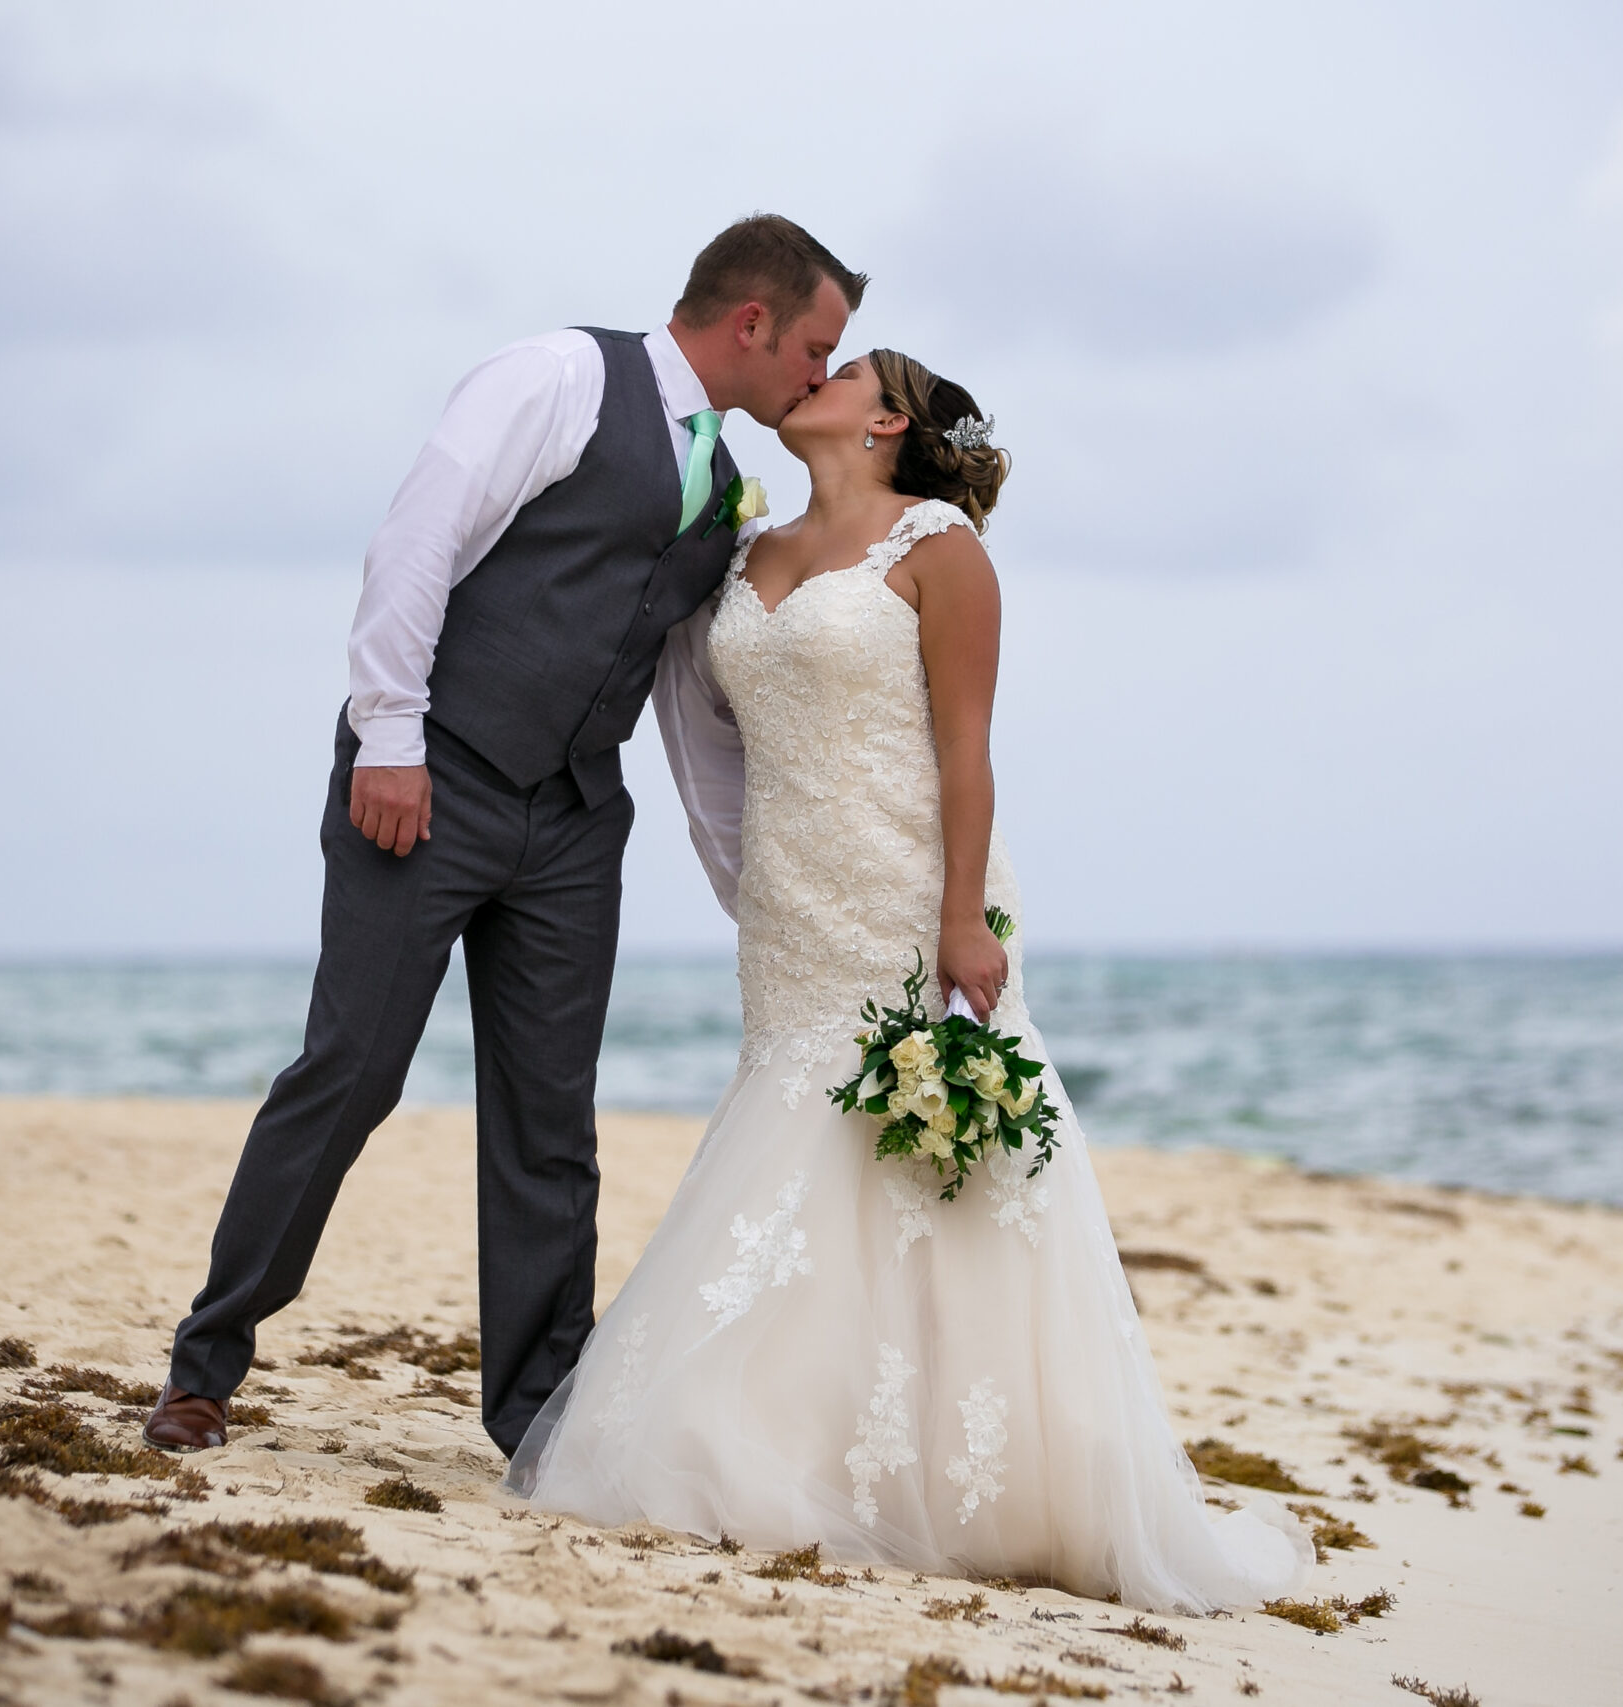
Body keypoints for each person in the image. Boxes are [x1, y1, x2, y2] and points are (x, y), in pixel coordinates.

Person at [505, 350, 1313, 1610]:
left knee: (927, 1162)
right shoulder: (743, 549)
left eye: (841, 373)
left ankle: (971, 1476)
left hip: (909, 891)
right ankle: (785, 1447)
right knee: (795, 1146)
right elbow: (695, 724)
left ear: (885, 421)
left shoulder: (939, 549)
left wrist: (961, 918)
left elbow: (966, 750)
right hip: (787, 905)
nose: (809, 377)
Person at [143, 216, 868, 1460]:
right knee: (350, 1074)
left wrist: (748, 879)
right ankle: (206, 1365)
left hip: (579, 819)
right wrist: (388, 737)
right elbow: (417, 540)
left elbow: (684, 705)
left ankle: (537, 1418)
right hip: (434, 783)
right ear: (751, 323)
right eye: (815, 347)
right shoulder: (559, 378)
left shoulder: (729, 489)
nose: (818, 375)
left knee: (549, 1121)